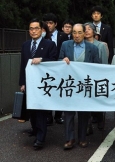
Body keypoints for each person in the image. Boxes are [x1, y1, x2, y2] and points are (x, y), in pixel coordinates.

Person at [59, 24, 99, 150]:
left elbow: (97, 66)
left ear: (84, 33)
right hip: (70, 84)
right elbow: (58, 60)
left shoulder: (92, 48)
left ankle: (82, 138)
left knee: (83, 113)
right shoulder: (65, 45)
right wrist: (62, 60)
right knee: (68, 112)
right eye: (74, 32)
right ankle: (69, 139)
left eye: (79, 32)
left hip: (85, 85)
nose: (76, 35)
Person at [19, 18, 57, 150]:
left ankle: (41, 137)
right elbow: (23, 65)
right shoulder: (25, 45)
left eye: (36, 28)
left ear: (42, 30)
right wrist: (22, 83)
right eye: (31, 28)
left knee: (40, 110)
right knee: (31, 109)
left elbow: (54, 61)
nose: (33, 31)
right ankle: (34, 129)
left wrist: (41, 59)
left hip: (43, 83)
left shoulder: (49, 44)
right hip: (29, 82)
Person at [43, 13, 69, 125]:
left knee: (60, 91)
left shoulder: (63, 36)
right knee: (48, 90)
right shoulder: (43, 36)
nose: (48, 25)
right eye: (46, 23)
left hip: (61, 68)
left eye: (50, 23)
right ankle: (48, 116)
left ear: (56, 24)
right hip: (47, 68)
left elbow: (66, 50)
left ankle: (58, 115)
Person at [84, 22, 108, 132]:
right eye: (85, 29)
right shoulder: (81, 44)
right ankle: (87, 124)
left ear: (94, 31)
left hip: (98, 76)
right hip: (84, 77)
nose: (87, 31)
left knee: (98, 99)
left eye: (89, 29)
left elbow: (104, 62)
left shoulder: (101, 45)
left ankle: (99, 120)